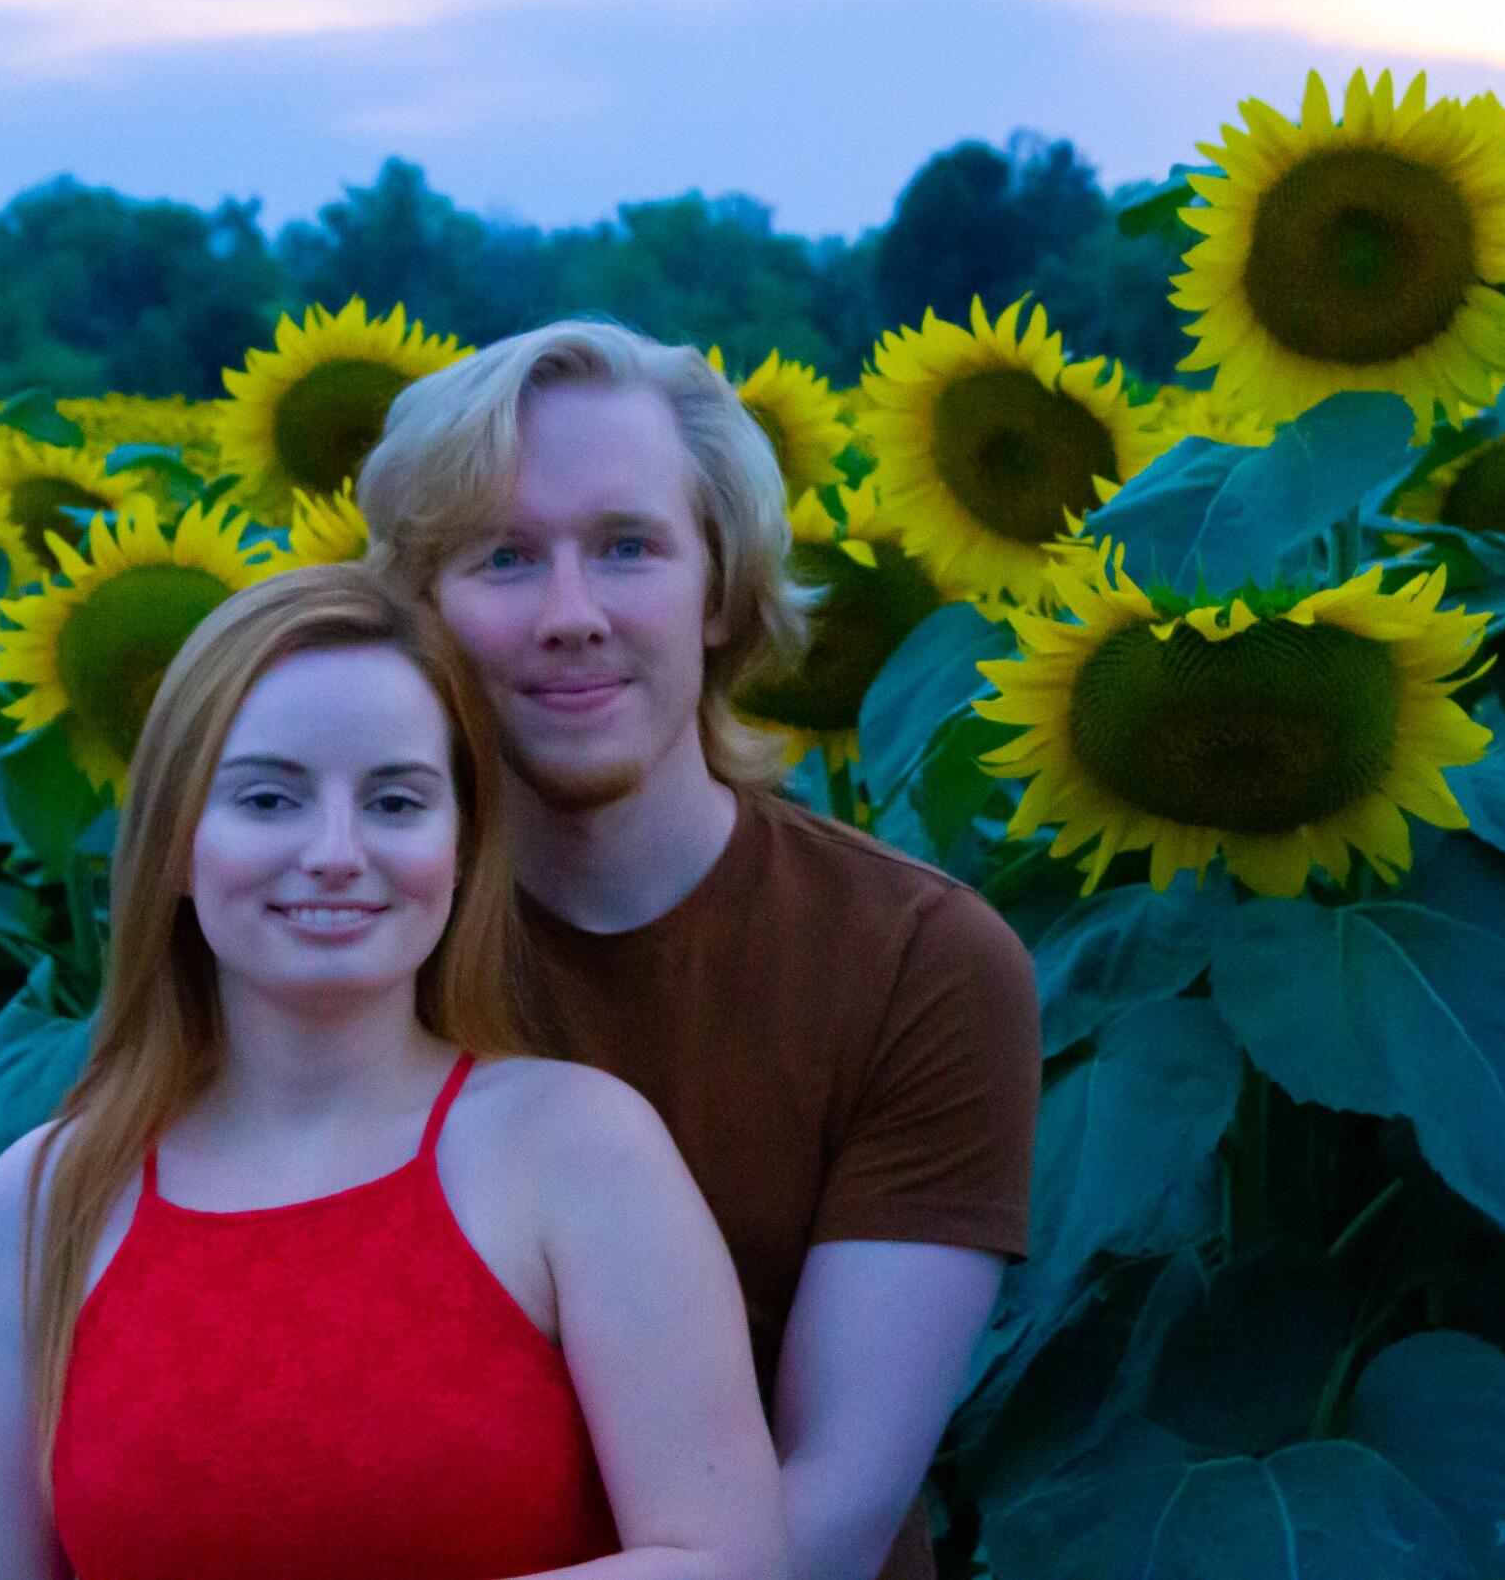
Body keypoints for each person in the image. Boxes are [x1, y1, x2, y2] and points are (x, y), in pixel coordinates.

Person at [0, 563, 789, 1580]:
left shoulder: (579, 1151)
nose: (335, 852)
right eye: (267, 797)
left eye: (393, 799)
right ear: (172, 844)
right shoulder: (41, 1208)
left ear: (463, 848)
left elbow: (729, 1559)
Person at [357, 322, 1041, 1580]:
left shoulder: (917, 963)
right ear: (423, 615)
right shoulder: (351, 940)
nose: (572, 615)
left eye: (627, 547)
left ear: (719, 589)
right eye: (504, 557)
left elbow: (826, 1511)